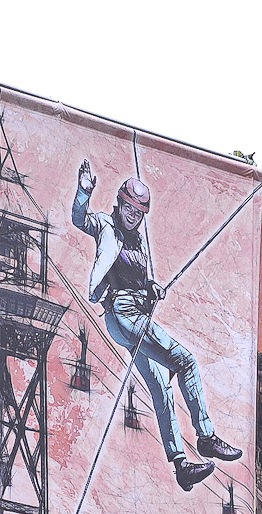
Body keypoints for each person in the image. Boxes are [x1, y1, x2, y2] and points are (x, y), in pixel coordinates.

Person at [72, 160, 240, 492]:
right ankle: (205, 436)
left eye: (139, 211)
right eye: (129, 207)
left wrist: (151, 288)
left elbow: (138, 279)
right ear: (119, 203)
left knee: (161, 386)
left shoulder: (138, 241)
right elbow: (80, 219)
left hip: (135, 313)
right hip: (123, 314)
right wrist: (84, 192)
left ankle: (180, 466)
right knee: (186, 361)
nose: (133, 215)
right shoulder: (107, 226)